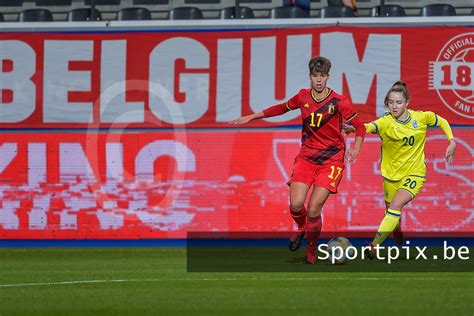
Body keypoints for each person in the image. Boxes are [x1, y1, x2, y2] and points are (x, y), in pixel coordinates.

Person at [230, 56, 365, 263]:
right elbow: (281, 108)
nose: (318, 80)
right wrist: (251, 116)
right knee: (296, 205)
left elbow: (360, 126)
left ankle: (311, 252)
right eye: (315, 76)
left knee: (313, 209)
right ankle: (302, 227)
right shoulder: (303, 97)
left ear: (328, 77)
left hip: (331, 159)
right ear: (310, 77)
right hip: (307, 157)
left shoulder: (339, 102)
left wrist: (356, 147)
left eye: (322, 76)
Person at [343, 81, 456, 259]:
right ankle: (397, 229)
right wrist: (354, 128)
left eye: (399, 102)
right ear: (387, 103)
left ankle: (373, 246)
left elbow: (441, 121)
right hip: (390, 176)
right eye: (391, 102)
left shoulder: (421, 118)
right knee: (392, 215)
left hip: (415, 174)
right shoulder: (385, 122)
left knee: (395, 206)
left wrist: (451, 140)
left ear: (407, 103)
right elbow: (368, 127)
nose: (394, 106)